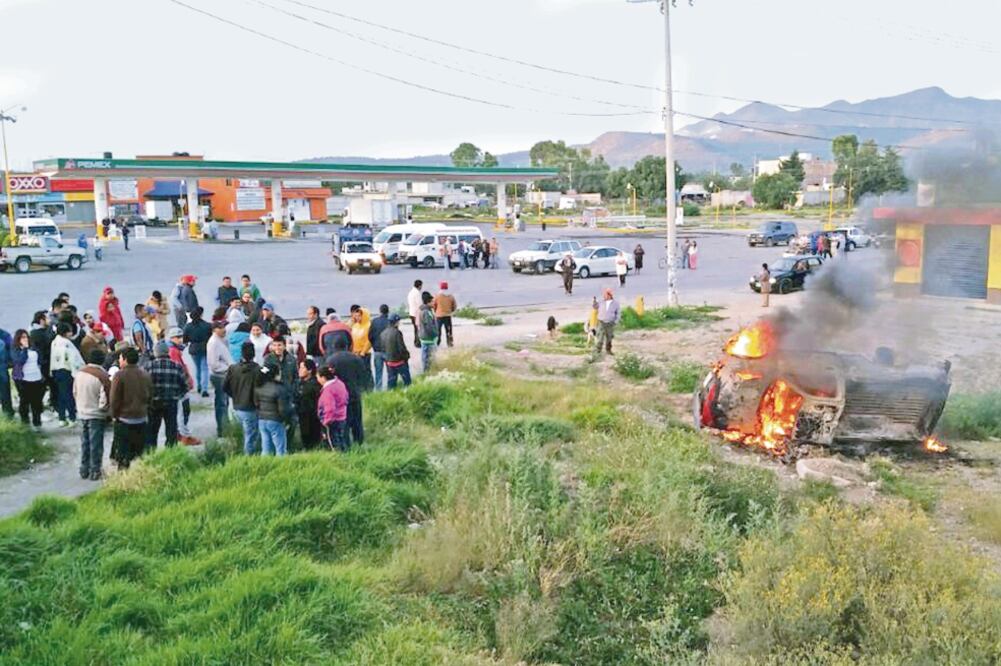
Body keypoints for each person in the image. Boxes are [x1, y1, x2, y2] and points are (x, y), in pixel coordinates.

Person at [110, 348, 153, 469]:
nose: (119, 361)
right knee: (139, 454)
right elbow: (150, 395)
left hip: (124, 419)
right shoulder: (145, 374)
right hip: (141, 418)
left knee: (123, 454)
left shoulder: (119, 375)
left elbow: (114, 399)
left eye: (120, 358)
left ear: (125, 359)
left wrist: (113, 415)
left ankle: (123, 474)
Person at [327, 338, 372, 446]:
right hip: (354, 393)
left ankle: (346, 444)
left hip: (340, 396)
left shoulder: (331, 360)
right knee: (357, 420)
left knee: (344, 421)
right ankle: (359, 442)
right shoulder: (356, 358)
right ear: (347, 346)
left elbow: (328, 378)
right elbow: (363, 374)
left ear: (334, 347)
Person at [73, 350, 110, 481]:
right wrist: (104, 411)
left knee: (85, 443)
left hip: (82, 412)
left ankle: (84, 469)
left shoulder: (80, 373)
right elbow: (105, 399)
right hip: (96, 415)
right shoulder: (102, 376)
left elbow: (75, 392)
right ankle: (95, 470)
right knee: (96, 444)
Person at [145, 341, 187, 449]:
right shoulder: (176, 366)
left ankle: (151, 452)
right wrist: (177, 395)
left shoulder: (149, 366)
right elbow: (184, 385)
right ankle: (170, 451)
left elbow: (143, 386)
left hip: (153, 403)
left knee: (152, 431)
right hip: (171, 402)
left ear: (155, 353)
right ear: (167, 352)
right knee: (171, 430)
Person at [225, 342, 261, 455]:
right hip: (251, 407)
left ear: (241, 353)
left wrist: (235, 395)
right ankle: (248, 458)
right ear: (253, 354)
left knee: (244, 434)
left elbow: (225, 387)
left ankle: (241, 454)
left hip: (237, 406)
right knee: (251, 436)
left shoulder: (233, 368)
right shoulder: (258, 369)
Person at [165, 327, 200, 446]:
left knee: (182, 411)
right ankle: (185, 435)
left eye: (181, 337)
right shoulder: (173, 351)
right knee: (183, 411)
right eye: (177, 337)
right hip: (179, 386)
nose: (180, 340)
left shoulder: (175, 349)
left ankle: (180, 433)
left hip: (177, 386)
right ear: (171, 338)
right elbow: (179, 369)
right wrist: (186, 382)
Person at [50, 322, 85, 426]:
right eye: (69, 331)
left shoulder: (54, 342)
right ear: (65, 332)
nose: (71, 333)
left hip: (56, 370)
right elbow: (73, 359)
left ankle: (62, 418)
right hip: (67, 370)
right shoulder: (67, 343)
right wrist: (78, 371)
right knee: (69, 395)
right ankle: (72, 418)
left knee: (61, 394)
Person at [11, 329, 45, 428]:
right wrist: (25, 349)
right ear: (18, 339)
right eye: (22, 337)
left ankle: (37, 422)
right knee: (24, 401)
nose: (25, 339)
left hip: (36, 377)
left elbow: (40, 360)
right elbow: (20, 361)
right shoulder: (15, 350)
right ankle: (25, 422)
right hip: (23, 379)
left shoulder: (33, 348)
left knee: (37, 401)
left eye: (26, 337)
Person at [255, 360, 289, 456]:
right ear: (276, 374)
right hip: (275, 420)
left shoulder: (259, 387)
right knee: (280, 449)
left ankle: (265, 464)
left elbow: (256, 404)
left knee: (265, 448)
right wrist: (286, 420)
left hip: (262, 419)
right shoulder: (279, 388)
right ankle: (282, 464)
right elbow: (282, 409)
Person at [207, 321, 232, 437]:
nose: (224, 330)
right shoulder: (213, 343)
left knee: (225, 402)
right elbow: (214, 364)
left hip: (224, 375)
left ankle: (225, 426)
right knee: (221, 403)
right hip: (219, 376)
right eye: (221, 328)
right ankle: (222, 429)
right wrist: (227, 368)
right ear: (215, 330)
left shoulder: (220, 341)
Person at [317, 365, 349, 451]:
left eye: (318, 377)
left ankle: (337, 457)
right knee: (342, 439)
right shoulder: (340, 383)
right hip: (342, 416)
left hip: (332, 420)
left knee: (334, 443)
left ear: (323, 378)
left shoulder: (328, 390)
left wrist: (326, 421)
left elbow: (329, 408)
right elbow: (346, 397)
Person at [183, 307, 212, 397]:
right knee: (204, 368)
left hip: (194, 349)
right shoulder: (207, 325)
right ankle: (204, 388)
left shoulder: (188, 327)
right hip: (205, 348)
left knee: (198, 368)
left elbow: (185, 339)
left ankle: (199, 385)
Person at [380, 313, 412, 388]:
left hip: (389, 362)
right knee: (407, 382)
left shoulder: (383, 333)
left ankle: (391, 394)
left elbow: (382, 349)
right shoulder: (397, 333)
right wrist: (407, 356)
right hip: (399, 362)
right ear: (396, 322)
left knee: (391, 383)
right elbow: (401, 348)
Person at [296, 359, 323, 449]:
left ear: (310, 370)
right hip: (302, 415)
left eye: (302, 368)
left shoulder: (315, 384)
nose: (299, 370)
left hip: (312, 417)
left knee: (312, 441)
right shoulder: (299, 383)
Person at [368, 304, 391, 390]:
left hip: (377, 350)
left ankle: (378, 390)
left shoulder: (374, 321)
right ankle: (390, 389)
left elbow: (370, 336)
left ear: (380, 311)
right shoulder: (390, 321)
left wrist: (374, 345)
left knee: (378, 373)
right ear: (388, 311)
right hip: (388, 350)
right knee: (390, 372)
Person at [594, 288, 621, 357]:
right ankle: (598, 351)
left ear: (609, 295)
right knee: (600, 337)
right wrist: (594, 303)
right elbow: (595, 307)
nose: (604, 296)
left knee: (609, 338)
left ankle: (608, 350)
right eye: (604, 295)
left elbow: (618, 313)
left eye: (605, 295)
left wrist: (616, 321)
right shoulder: (601, 302)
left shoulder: (615, 303)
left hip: (610, 323)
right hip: (601, 322)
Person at [418, 291, 437, 372]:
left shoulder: (425, 310)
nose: (434, 303)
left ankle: (427, 371)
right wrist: (435, 334)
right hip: (428, 338)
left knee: (426, 356)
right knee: (428, 357)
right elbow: (429, 326)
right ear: (428, 302)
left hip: (425, 337)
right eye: (432, 301)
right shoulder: (426, 312)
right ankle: (426, 371)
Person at [349, 304, 373, 372]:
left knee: (366, 371)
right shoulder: (355, 326)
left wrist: (363, 352)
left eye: (359, 316)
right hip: (355, 353)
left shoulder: (368, 326)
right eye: (356, 316)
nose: (357, 318)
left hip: (364, 354)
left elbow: (369, 340)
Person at [433, 281, 457, 347]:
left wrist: (436, 311)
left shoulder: (437, 296)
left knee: (438, 330)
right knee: (448, 330)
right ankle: (449, 343)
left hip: (439, 315)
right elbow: (454, 306)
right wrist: (451, 311)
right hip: (447, 315)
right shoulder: (451, 296)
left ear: (440, 287)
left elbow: (434, 305)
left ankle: (437, 342)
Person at [0, 327, 12, 418]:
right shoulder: (4, 335)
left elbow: (11, 346)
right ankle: (8, 413)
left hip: (2, 366)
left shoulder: (4, 335)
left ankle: (8, 413)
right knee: (4, 390)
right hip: (3, 366)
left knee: (4, 390)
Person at [407, 280, 424, 348]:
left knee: (415, 328)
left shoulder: (410, 292)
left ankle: (416, 341)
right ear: (419, 286)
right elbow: (420, 304)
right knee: (418, 328)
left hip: (411, 312)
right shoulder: (417, 293)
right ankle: (418, 342)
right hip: (416, 313)